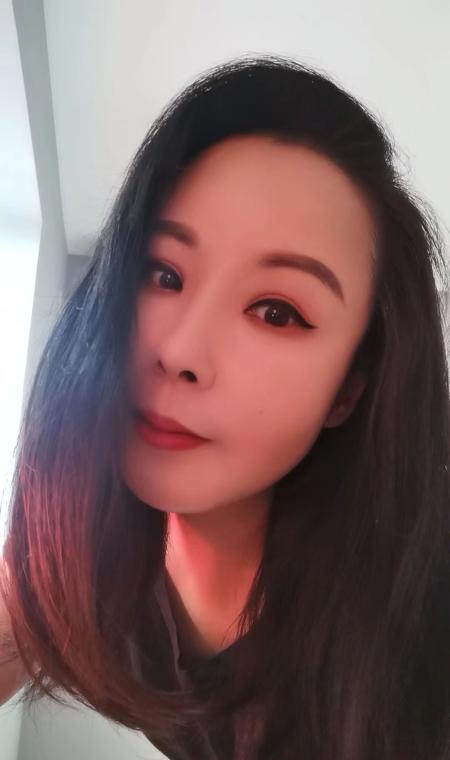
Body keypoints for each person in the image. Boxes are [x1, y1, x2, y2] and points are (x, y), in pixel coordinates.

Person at [1, 54, 450, 760]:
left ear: (348, 391)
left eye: (276, 312)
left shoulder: (421, 630)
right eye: (163, 273)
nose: (179, 350)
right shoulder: (79, 548)